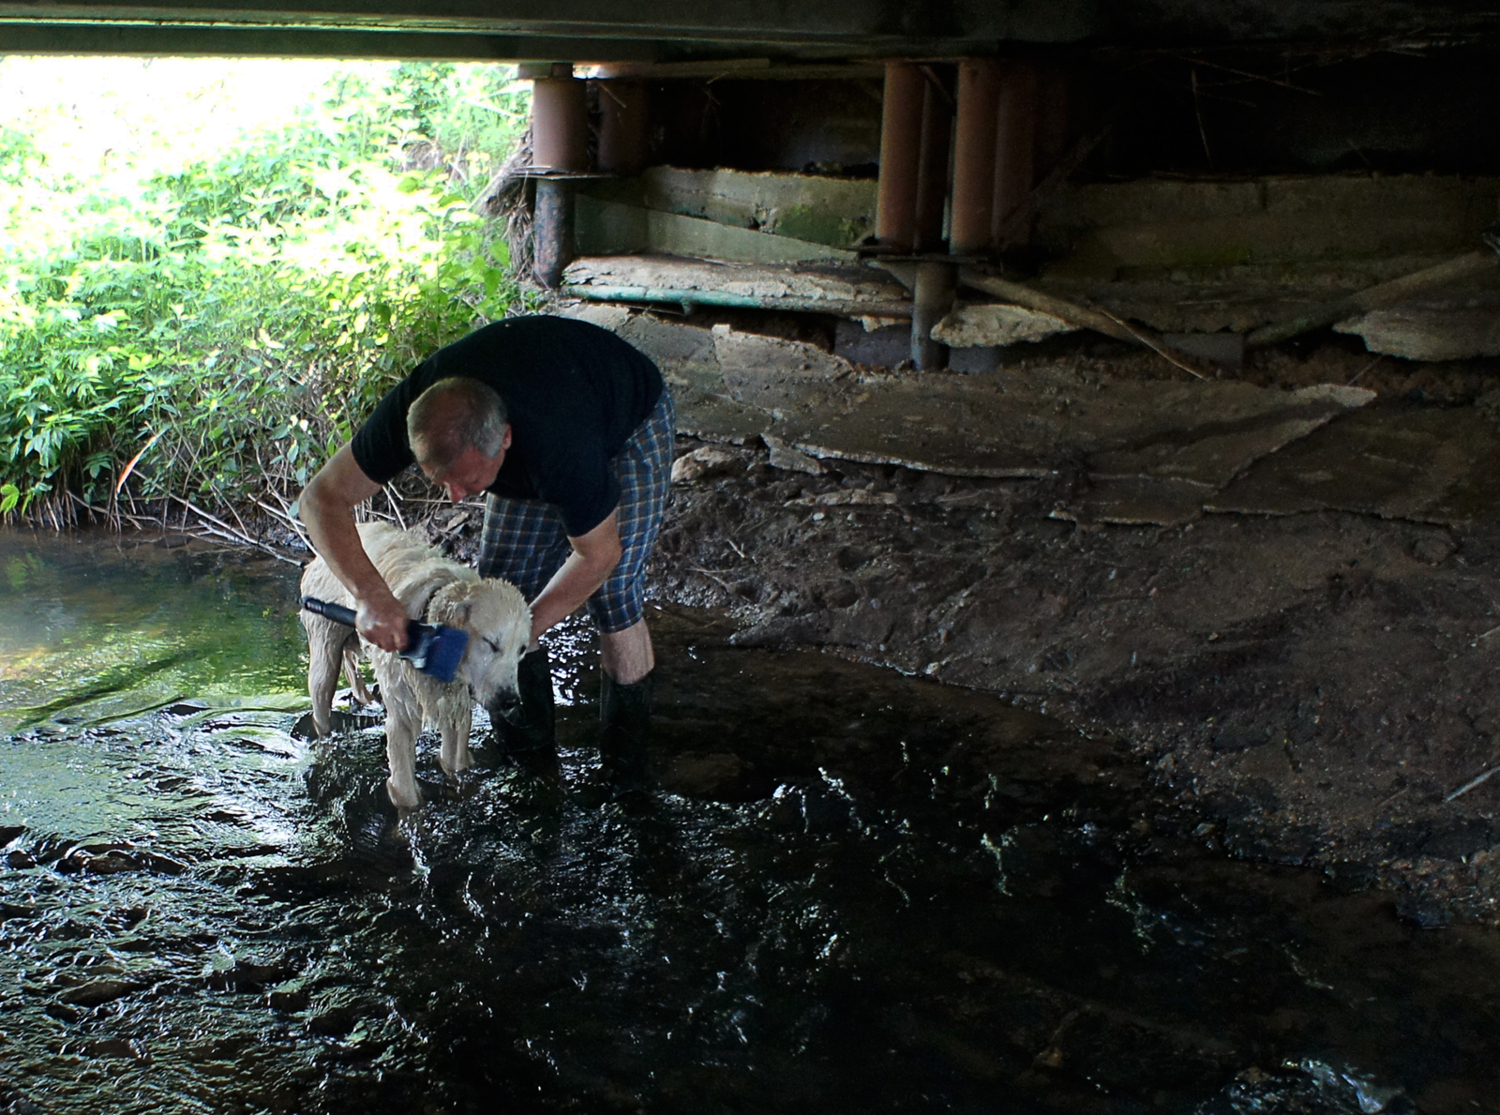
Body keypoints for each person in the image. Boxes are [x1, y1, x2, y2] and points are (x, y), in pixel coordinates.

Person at [298, 314, 673, 797]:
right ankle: (532, 778)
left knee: (615, 598)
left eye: (470, 482)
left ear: (506, 442)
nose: (456, 497)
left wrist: (514, 635)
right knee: (500, 583)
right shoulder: (417, 410)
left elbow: (598, 555)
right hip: (533, 407)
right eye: (441, 480)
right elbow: (318, 500)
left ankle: (626, 782)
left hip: (628, 418)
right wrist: (371, 594)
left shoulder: (561, 448)